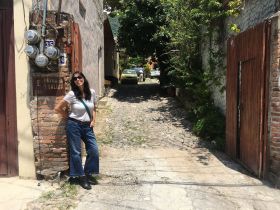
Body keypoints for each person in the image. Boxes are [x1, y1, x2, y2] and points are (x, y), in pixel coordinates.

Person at [55, 71, 99, 190]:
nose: (77, 80)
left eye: (80, 77)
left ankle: (88, 173)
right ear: (73, 82)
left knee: (94, 150)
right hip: (74, 125)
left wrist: (93, 120)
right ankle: (81, 176)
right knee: (76, 152)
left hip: (87, 126)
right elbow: (58, 108)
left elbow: (94, 107)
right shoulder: (71, 94)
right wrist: (67, 117)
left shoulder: (92, 92)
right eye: (75, 79)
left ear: (83, 78)